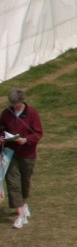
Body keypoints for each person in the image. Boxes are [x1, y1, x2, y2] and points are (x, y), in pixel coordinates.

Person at [3, 88, 43, 229]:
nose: (14, 106)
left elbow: (38, 133)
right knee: (12, 182)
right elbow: (1, 129)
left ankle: (24, 202)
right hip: (10, 153)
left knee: (24, 181)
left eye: (17, 104)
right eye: (13, 104)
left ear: (22, 101)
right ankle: (20, 214)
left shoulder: (32, 114)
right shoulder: (6, 113)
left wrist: (26, 140)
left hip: (27, 154)